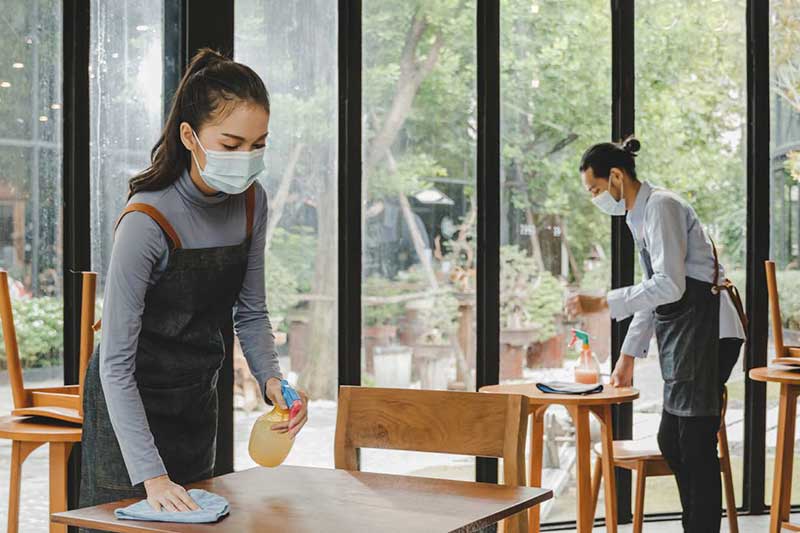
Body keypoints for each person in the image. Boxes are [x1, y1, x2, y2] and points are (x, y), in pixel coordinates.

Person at [79, 49, 308, 521]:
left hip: (195, 398)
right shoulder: (147, 219)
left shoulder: (251, 204)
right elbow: (116, 364)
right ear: (190, 136)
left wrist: (272, 381)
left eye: (258, 144)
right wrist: (152, 476)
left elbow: (250, 311)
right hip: (127, 408)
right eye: (230, 144)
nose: (246, 159)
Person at [566, 137, 746, 533]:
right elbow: (657, 288)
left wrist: (601, 303)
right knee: (673, 441)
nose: (596, 199)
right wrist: (628, 355)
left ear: (616, 176)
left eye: (596, 189)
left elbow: (670, 286)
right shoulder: (638, 215)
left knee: (693, 442)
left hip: (709, 331)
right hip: (687, 333)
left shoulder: (661, 206)